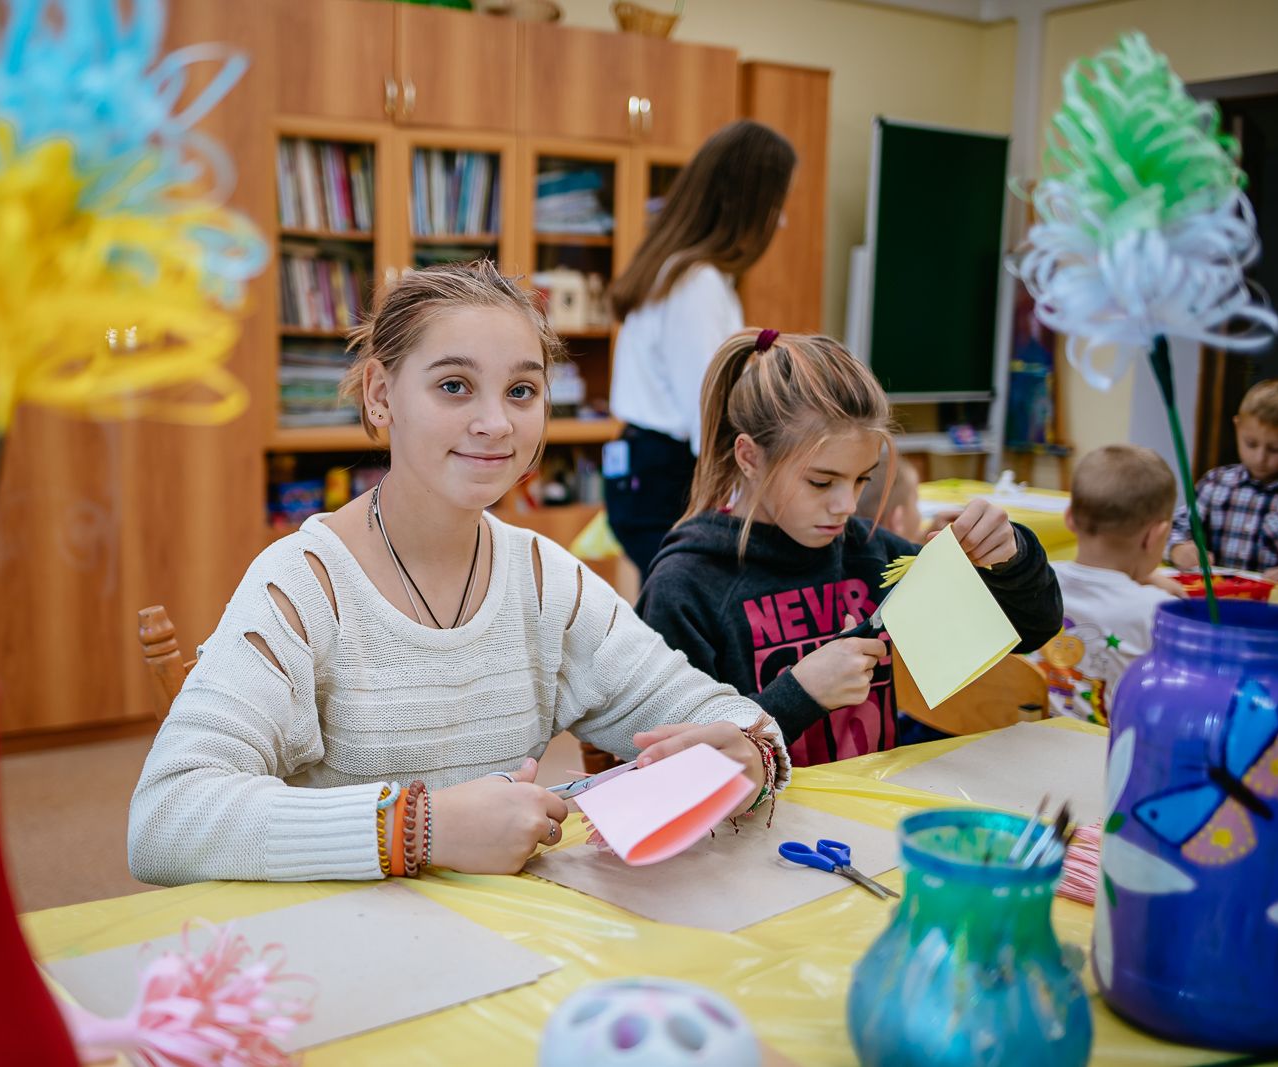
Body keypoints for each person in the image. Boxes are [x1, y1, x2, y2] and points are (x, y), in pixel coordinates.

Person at [128, 262, 789, 886]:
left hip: (506, 958)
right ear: (381, 395)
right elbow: (167, 817)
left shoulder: (546, 579)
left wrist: (750, 756)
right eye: (453, 386)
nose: (496, 423)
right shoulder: (304, 584)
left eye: (522, 391)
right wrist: (417, 827)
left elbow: (725, 717)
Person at [638, 328, 1063, 766]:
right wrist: (798, 696)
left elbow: (1031, 631)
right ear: (749, 457)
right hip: (749, 830)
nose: (847, 506)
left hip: (862, 820)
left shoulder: (870, 554)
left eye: (862, 479)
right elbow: (674, 765)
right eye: (820, 481)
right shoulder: (686, 586)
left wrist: (1013, 557)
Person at [604, 120, 797, 578]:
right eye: (777, 204)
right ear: (748, 205)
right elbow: (709, 416)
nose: (781, 220)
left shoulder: (676, 271)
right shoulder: (698, 285)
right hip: (666, 477)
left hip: (640, 470)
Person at [1031, 446, 1183, 724]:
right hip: (1104, 752)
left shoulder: (1032, 581)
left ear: (1069, 518)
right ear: (1155, 536)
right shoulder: (1157, 610)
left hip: (1024, 739)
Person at [1169, 377, 1278, 582]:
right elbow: (1177, 528)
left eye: (1276, 449)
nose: (1261, 458)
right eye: (1251, 444)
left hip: (1270, 606)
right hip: (1214, 600)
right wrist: (1179, 549)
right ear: (1237, 427)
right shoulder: (1215, 483)